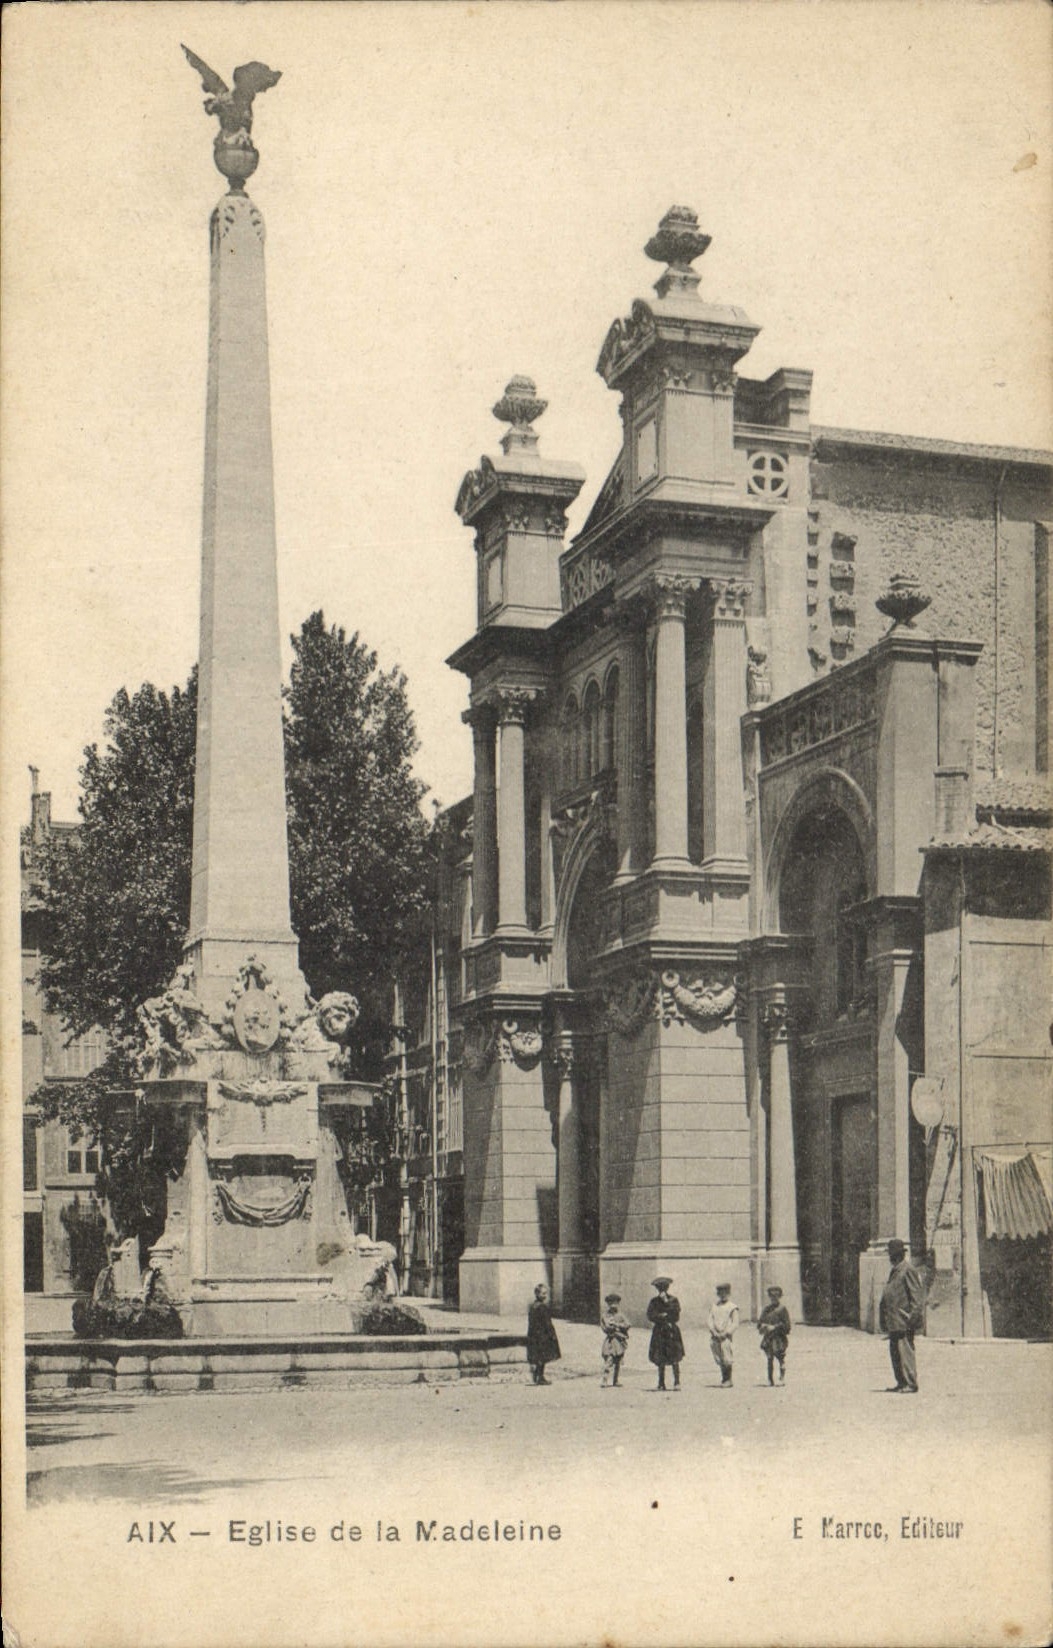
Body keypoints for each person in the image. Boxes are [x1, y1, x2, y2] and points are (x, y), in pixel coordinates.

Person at [879, 1238, 924, 1393]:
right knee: (895, 1353)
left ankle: (911, 1383)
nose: (889, 1258)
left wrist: (912, 1317)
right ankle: (901, 1382)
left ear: (897, 1255)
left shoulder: (908, 1270)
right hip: (894, 1320)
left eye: (891, 1254)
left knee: (905, 1352)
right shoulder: (896, 1270)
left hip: (904, 1320)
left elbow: (917, 1297)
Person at [647, 1276, 685, 1391]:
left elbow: (676, 1315)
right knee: (660, 1357)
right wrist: (661, 1317)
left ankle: (677, 1382)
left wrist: (666, 1303)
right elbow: (650, 1315)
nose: (662, 1290)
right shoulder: (654, 1301)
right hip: (659, 1331)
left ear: (667, 1288)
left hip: (671, 1330)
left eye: (664, 1287)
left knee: (674, 1357)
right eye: (659, 1288)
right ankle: (661, 1383)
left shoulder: (673, 1300)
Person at [526, 1284, 561, 1385]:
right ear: (537, 1294)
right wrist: (552, 1334)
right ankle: (540, 1376)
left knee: (538, 1356)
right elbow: (547, 1323)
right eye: (543, 1293)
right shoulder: (542, 1307)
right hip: (542, 1335)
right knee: (543, 1356)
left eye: (546, 1293)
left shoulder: (532, 1306)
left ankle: (537, 1375)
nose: (545, 1295)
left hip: (534, 1334)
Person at [757, 1285, 792, 1385]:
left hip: (779, 1338)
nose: (773, 1298)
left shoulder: (782, 1309)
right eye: (771, 1296)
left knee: (780, 1358)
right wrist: (763, 1326)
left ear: (779, 1296)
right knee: (769, 1359)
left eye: (776, 1296)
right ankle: (770, 1380)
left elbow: (787, 1326)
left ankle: (782, 1378)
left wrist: (775, 1327)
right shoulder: (766, 1310)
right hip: (768, 1338)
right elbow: (759, 1323)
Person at [708, 1282, 739, 1386]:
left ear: (729, 1293)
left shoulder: (732, 1307)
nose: (723, 1295)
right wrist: (713, 1331)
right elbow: (710, 1320)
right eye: (720, 1293)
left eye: (725, 1293)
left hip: (726, 1336)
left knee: (726, 1356)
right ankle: (723, 1378)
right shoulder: (714, 1306)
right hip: (715, 1335)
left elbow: (735, 1323)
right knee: (719, 1356)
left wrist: (726, 1333)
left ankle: (728, 1379)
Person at [600, 1292, 630, 1387]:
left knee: (618, 1361)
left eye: (615, 1303)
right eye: (611, 1303)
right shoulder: (605, 1315)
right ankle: (604, 1380)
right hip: (611, 1341)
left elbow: (628, 1324)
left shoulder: (621, 1315)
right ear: (608, 1304)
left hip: (619, 1341)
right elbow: (605, 1327)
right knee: (609, 1360)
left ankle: (615, 1380)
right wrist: (610, 1328)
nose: (613, 1305)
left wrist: (618, 1325)